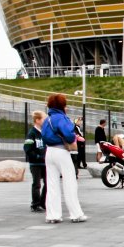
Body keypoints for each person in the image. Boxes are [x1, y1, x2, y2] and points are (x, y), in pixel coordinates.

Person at [40, 94, 87, 223]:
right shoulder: (62, 118)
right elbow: (69, 135)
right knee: (70, 182)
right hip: (61, 151)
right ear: (62, 106)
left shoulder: (46, 120)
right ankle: (76, 213)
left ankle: (52, 215)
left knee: (52, 184)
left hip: (49, 151)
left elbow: (43, 135)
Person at [24, 109, 46, 213]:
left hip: (45, 162)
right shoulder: (32, 133)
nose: (45, 121)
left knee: (48, 183)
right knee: (36, 184)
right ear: (37, 120)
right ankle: (35, 204)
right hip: (36, 163)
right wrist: (37, 157)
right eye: (43, 119)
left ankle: (43, 202)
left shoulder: (45, 132)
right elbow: (27, 148)